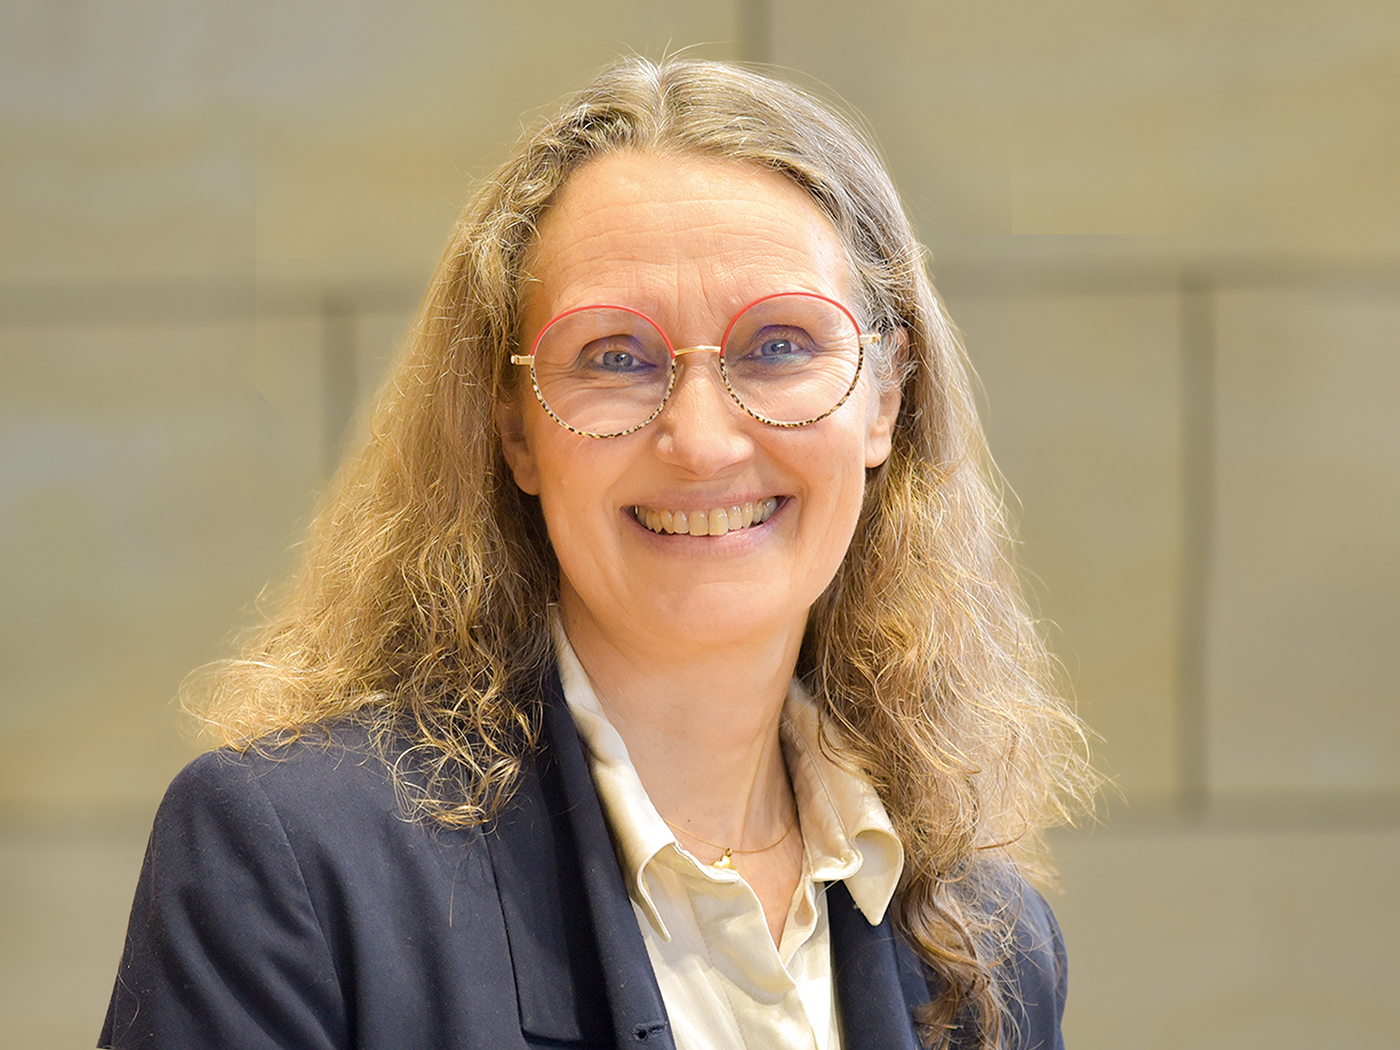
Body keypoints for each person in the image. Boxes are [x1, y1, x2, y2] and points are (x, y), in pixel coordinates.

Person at [101, 57, 1094, 1050]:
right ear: (515, 429)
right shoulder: (297, 867)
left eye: (781, 345)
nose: (700, 441)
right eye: (615, 357)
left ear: (885, 397)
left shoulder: (991, 949)